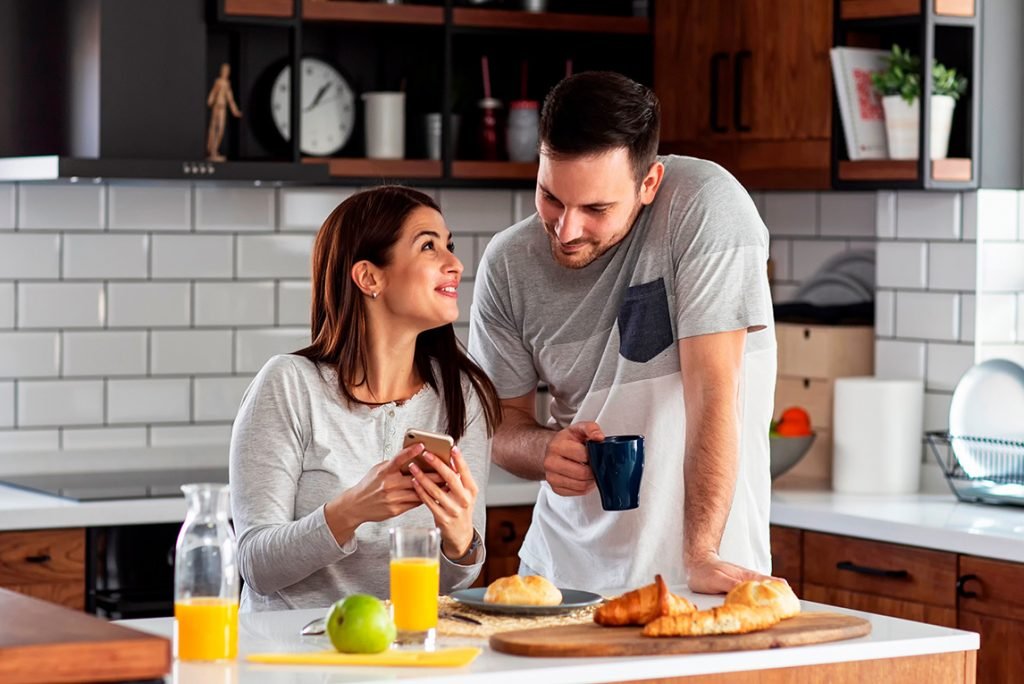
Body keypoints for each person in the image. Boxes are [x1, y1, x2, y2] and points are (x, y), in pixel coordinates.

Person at [469, 71, 777, 595]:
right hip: (558, 580)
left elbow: (713, 392)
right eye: (550, 197)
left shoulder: (707, 208)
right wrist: (544, 449)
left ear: (649, 183)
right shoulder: (507, 263)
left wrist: (701, 554)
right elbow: (498, 425)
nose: (566, 230)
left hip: (699, 579)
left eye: (595, 209)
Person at [231, 186, 501, 612]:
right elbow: (255, 565)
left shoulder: (461, 395)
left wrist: (459, 539)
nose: (455, 264)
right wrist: (350, 511)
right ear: (369, 277)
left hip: (407, 654)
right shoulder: (289, 385)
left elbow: (455, 581)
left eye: (449, 246)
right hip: (291, 659)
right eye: (429, 246)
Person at [206, 63, 242, 162]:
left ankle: (215, 148)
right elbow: (214, 92)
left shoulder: (227, 83)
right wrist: (210, 99)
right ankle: (211, 150)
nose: (226, 73)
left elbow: (230, 98)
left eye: (227, 71)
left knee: (221, 128)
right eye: (225, 71)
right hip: (216, 107)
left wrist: (235, 110)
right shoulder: (218, 81)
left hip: (223, 108)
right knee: (213, 128)